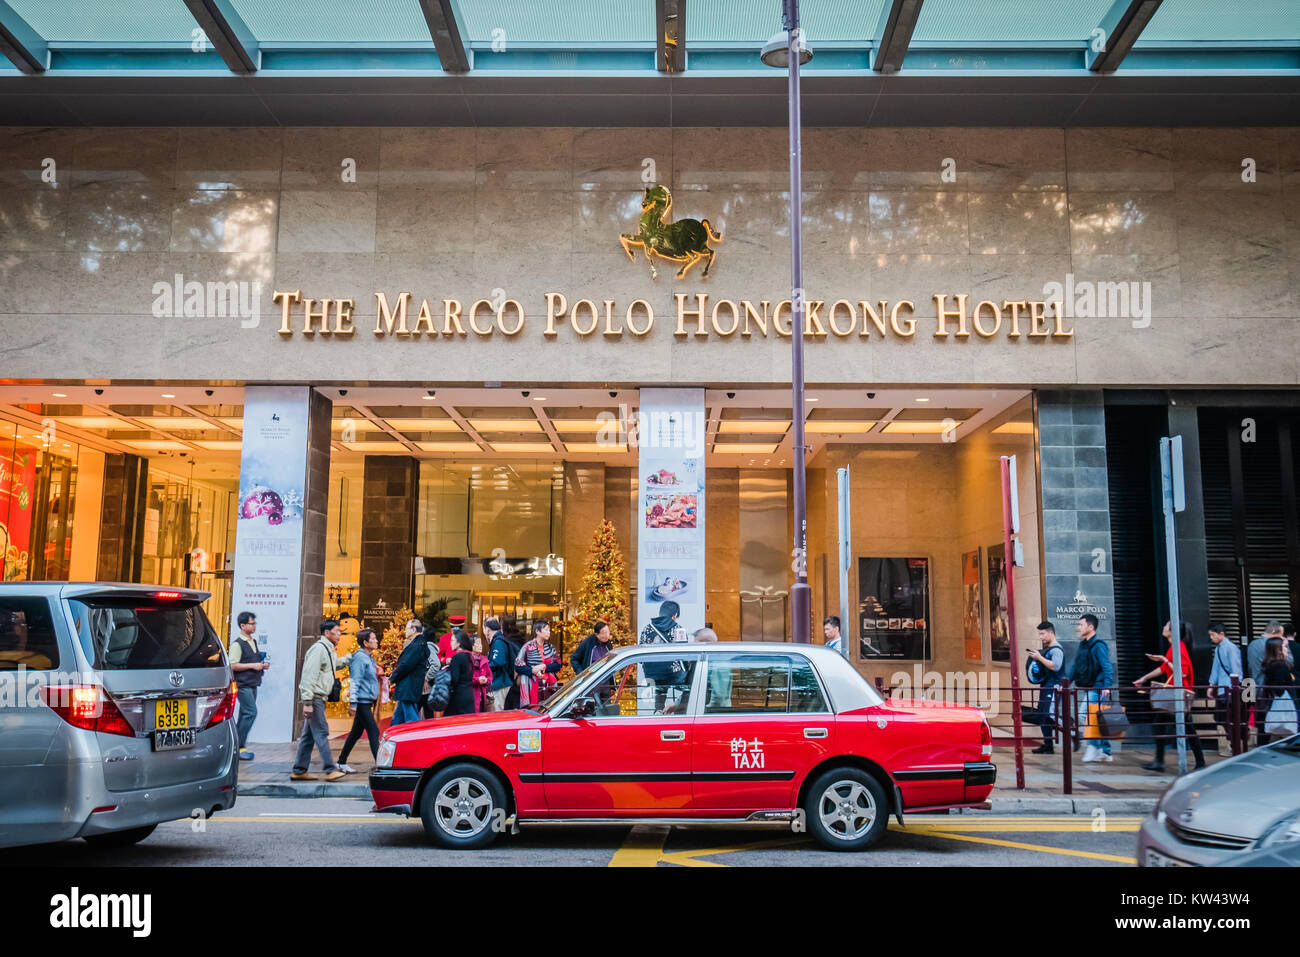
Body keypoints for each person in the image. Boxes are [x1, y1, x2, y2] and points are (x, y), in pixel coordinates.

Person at [1133, 621, 1205, 772]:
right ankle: (1194, 762)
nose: (1163, 628)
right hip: (1176, 694)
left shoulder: (1178, 647)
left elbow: (1182, 673)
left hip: (1180, 694)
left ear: (1172, 631)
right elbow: (1163, 669)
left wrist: (1164, 660)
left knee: (1184, 727)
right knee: (1167, 724)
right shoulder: (1175, 647)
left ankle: (1197, 762)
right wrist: (1144, 678)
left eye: (1166, 626)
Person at [291, 620, 346, 782]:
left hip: (317, 698)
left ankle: (299, 770)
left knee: (308, 737)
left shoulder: (328, 650)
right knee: (321, 731)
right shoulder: (318, 650)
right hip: (314, 698)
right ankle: (330, 769)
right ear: (327, 633)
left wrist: (349, 658)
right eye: (337, 631)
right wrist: (307, 702)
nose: (339, 634)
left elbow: (333, 665)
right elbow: (308, 676)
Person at [1068, 613, 1115, 763]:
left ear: (1091, 626)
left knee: (1086, 716)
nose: (1079, 627)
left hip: (1099, 688)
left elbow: (1107, 666)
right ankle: (1105, 750)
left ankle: (1093, 748)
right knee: (1098, 719)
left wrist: (1107, 686)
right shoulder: (1084, 645)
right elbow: (1076, 666)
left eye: (1081, 624)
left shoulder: (1099, 645)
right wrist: (1066, 682)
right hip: (1090, 687)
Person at [336, 628, 380, 771]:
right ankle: (381, 765)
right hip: (362, 701)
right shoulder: (360, 658)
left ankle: (341, 761)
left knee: (356, 733)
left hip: (367, 700)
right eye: (373, 638)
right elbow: (355, 681)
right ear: (366, 642)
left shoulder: (369, 658)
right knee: (374, 731)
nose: (376, 640)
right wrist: (353, 703)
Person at [228, 610, 269, 761]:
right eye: (252, 624)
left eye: (254, 623)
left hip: (252, 684)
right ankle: (237, 747)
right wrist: (254, 665)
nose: (254, 626)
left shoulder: (253, 641)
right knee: (251, 712)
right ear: (242, 625)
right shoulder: (237, 644)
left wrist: (261, 665)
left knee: (245, 714)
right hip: (243, 685)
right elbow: (232, 665)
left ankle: (238, 748)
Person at [1021, 620, 1064, 754]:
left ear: (1051, 633)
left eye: (1042, 634)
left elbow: (1055, 666)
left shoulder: (1056, 650)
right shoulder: (1049, 650)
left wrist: (1039, 658)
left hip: (1054, 687)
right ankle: (1048, 745)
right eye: (1039, 634)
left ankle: (1071, 731)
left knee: (1049, 715)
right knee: (1043, 716)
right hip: (1047, 686)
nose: (1040, 637)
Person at [639, 599, 687, 712]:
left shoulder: (647, 628)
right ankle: (679, 710)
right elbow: (685, 653)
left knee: (660, 691)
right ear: (675, 615)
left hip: (652, 673)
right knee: (688, 686)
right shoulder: (678, 629)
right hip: (674, 674)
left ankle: (658, 710)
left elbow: (641, 652)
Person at [1247, 620, 1289, 746]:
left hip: (1256, 688)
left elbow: (1250, 668)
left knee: (1261, 725)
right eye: (1281, 635)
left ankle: (1262, 748)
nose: (1282, 638)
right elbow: (1288, 664)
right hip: (1272, 692)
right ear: (1273, 632)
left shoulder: (1252, 645)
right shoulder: (1275, 648)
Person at [1207, 622, 1243, 755]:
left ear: (1221, 634)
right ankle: (1233, 744)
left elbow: (1236, 670)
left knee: (1230, 718)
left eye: (1212, 635)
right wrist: (1211, 686)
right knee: (1223, 717)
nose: (1211, 638)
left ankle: (1235, 745)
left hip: (1230, 689)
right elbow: (1215, 668)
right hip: (1224, 689)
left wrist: (1236, 687)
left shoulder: (1231, 648)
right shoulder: (1219, 649)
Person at [390, 619, 429, 727]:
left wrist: (394, 676)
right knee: (398, 719)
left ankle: (416, 741)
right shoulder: (418, 644)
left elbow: (406, 665)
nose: (405, 631)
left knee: (411, 721)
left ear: (413, 629)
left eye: (406, 628)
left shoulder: (417, 645)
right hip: (407, 688)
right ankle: (392, 739)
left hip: (408, 687)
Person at [1260, 636, 1299, 745]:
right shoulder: (1280, 665)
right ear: (1278, 650)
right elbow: (1279, 688)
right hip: (1284, 704)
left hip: (1274, 703)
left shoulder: (1270, 664)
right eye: (1285, 647)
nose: (1287, 649)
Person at [515, 620, 562, 707]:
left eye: (549, 630)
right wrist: (533, 670)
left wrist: (544, 666)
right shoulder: (527, 646)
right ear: (537, 631)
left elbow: (558, 665)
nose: (549, 632)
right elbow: (518, 665)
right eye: (546, 630)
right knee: (532, 707)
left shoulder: (550, 647)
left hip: (548, 683)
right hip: (531, 683)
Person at [694, 626, 732, 710]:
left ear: (706, 643)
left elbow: (719, 696)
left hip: (716, 714)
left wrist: (701, 709)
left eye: (696, 644)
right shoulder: (712, 660)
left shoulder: (718, 663)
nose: (695, 648)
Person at [444, 630, 477, 717]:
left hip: (458, 697)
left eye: (452, 640)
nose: (450, 643)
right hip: (469, 695)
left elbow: (454, 679)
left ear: (459, 643)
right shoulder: (469, 656)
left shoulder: (457, 657)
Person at [484, 617, 514, 711]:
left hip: (500, 682)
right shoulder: (499, 640)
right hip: (500, 681)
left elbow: (498, 662)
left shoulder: (498, 642)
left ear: (487, 629)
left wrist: (484, 667)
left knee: (496, 711)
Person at [470, 633, 493, 712]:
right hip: (471, 695)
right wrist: (477, 680)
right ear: (471, 646)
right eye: (478, 643)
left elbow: (490, 676)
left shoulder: (484, 660)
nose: (481, 646)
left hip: (482, 696)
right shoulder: (467, 659)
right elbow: (466, 678)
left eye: (481, 643)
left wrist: (486, 680)